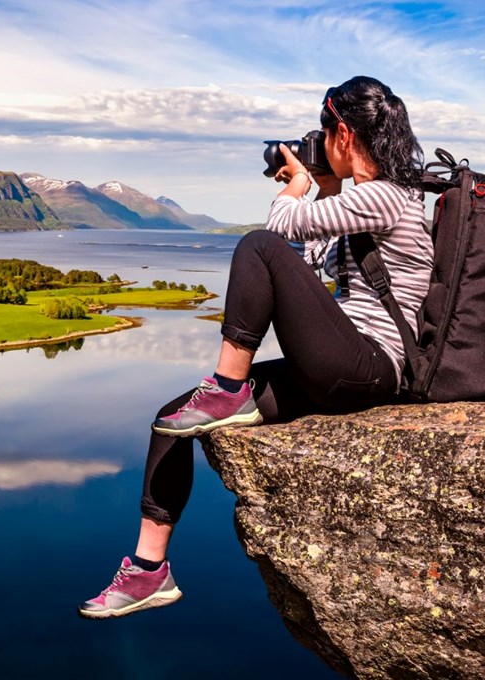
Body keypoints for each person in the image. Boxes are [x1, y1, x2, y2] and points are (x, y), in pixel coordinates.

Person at [78, 76, 433, 619]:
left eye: (321, 131)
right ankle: (150, 571)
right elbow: (305, 268)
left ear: (341, 131)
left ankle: (227, 386)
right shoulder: (364, 201)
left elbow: (279, 230)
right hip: (341, 364)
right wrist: (324, 188)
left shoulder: (389, 195)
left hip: (372, 366)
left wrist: (295, 188)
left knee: (256, 244)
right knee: (173, 417)